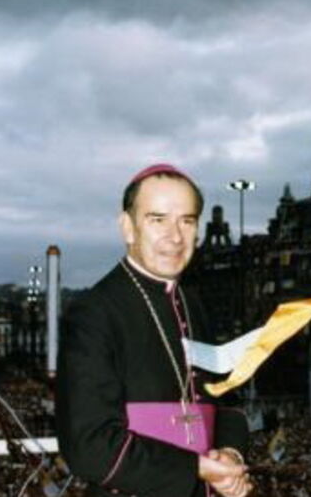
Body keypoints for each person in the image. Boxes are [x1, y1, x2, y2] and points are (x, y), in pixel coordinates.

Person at [56, 164, 251, 497]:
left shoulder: (192, 303)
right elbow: (89, 446)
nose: (175, 237)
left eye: (186, 221)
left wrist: (230, 455)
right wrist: (198, 467)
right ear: (128, 227)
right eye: (157, 219)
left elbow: (226, 399)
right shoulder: (93, 312)